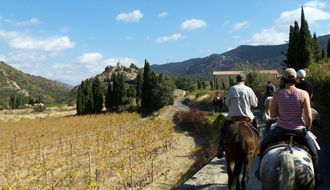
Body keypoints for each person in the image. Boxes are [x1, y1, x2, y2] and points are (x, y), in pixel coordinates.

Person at [256, 68, 323, 188]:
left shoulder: (277, 94)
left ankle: (259, 171)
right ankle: (316, 176)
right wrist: (306, 128)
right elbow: (308, 116)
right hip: (300, 130)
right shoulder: (304, 94)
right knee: (314, 153)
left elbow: (272, 115)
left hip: (280, 129)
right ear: (295, 79)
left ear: (283, 80)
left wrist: (283, 114)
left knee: (262, 145)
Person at [216, 73, 262, 159]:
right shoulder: (249, 90)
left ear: (236, 80)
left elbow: (227, 103)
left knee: (224, 130)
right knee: (258, 129)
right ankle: (259, 148)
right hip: (247, 117)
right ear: (245, 81)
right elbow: (255, 104)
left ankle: (221, 147)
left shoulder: (231, 89)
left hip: (233, 117)